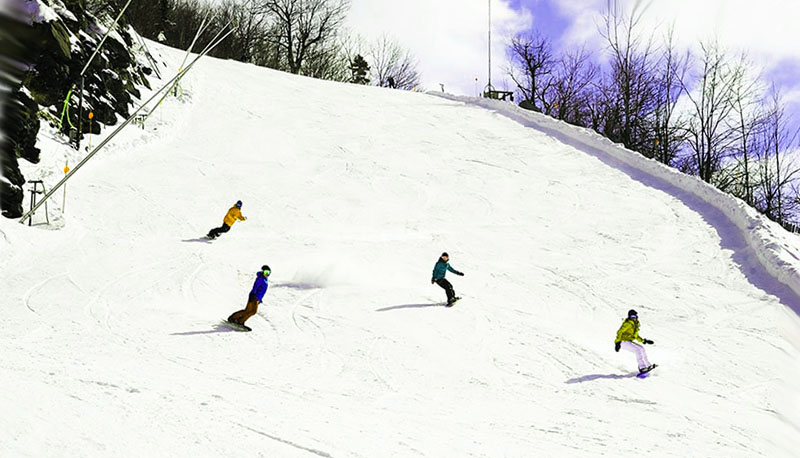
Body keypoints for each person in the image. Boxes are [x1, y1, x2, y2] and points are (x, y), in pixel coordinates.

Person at [227, 265, 270, 331]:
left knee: (248, 310)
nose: (266, 274)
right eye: (265, 272)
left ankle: (235, 319)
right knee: (253, 311)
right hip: (254, 296)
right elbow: (255, 287)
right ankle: (238, 320)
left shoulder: (265, 279)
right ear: (262, 272)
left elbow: (262, 291)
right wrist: (253, 294)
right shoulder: (260, 278)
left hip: (257, 298)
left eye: (268, 273)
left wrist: (260, 299)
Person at [614, 309, 656, 373]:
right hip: (622, 341)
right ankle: (642, 367)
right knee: (638, 350)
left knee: (642, 349)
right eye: (632, 317)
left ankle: (648, 365)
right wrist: (617, 342)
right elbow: (619, 332)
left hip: (628, 341)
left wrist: (644, 341)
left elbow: (636, 336)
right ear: (629, 317)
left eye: (634, 317)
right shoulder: (628, 323)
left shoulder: (635, 325)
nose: (633, 318)